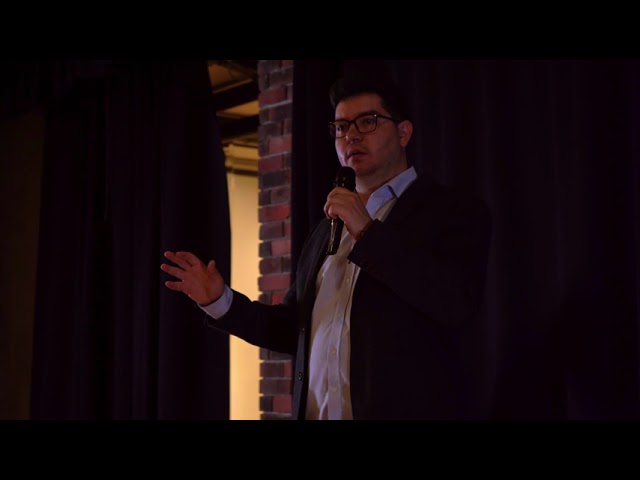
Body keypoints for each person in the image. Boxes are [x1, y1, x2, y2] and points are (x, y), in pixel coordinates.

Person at [160, 74, 492, 420]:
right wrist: (220, 301)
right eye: (341, 127)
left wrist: (367, 231)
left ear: (403, 132)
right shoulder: (325, 229)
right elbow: (294, 329)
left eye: (368, 121)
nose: (351, 136)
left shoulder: (453, 212)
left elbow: (455, 302)